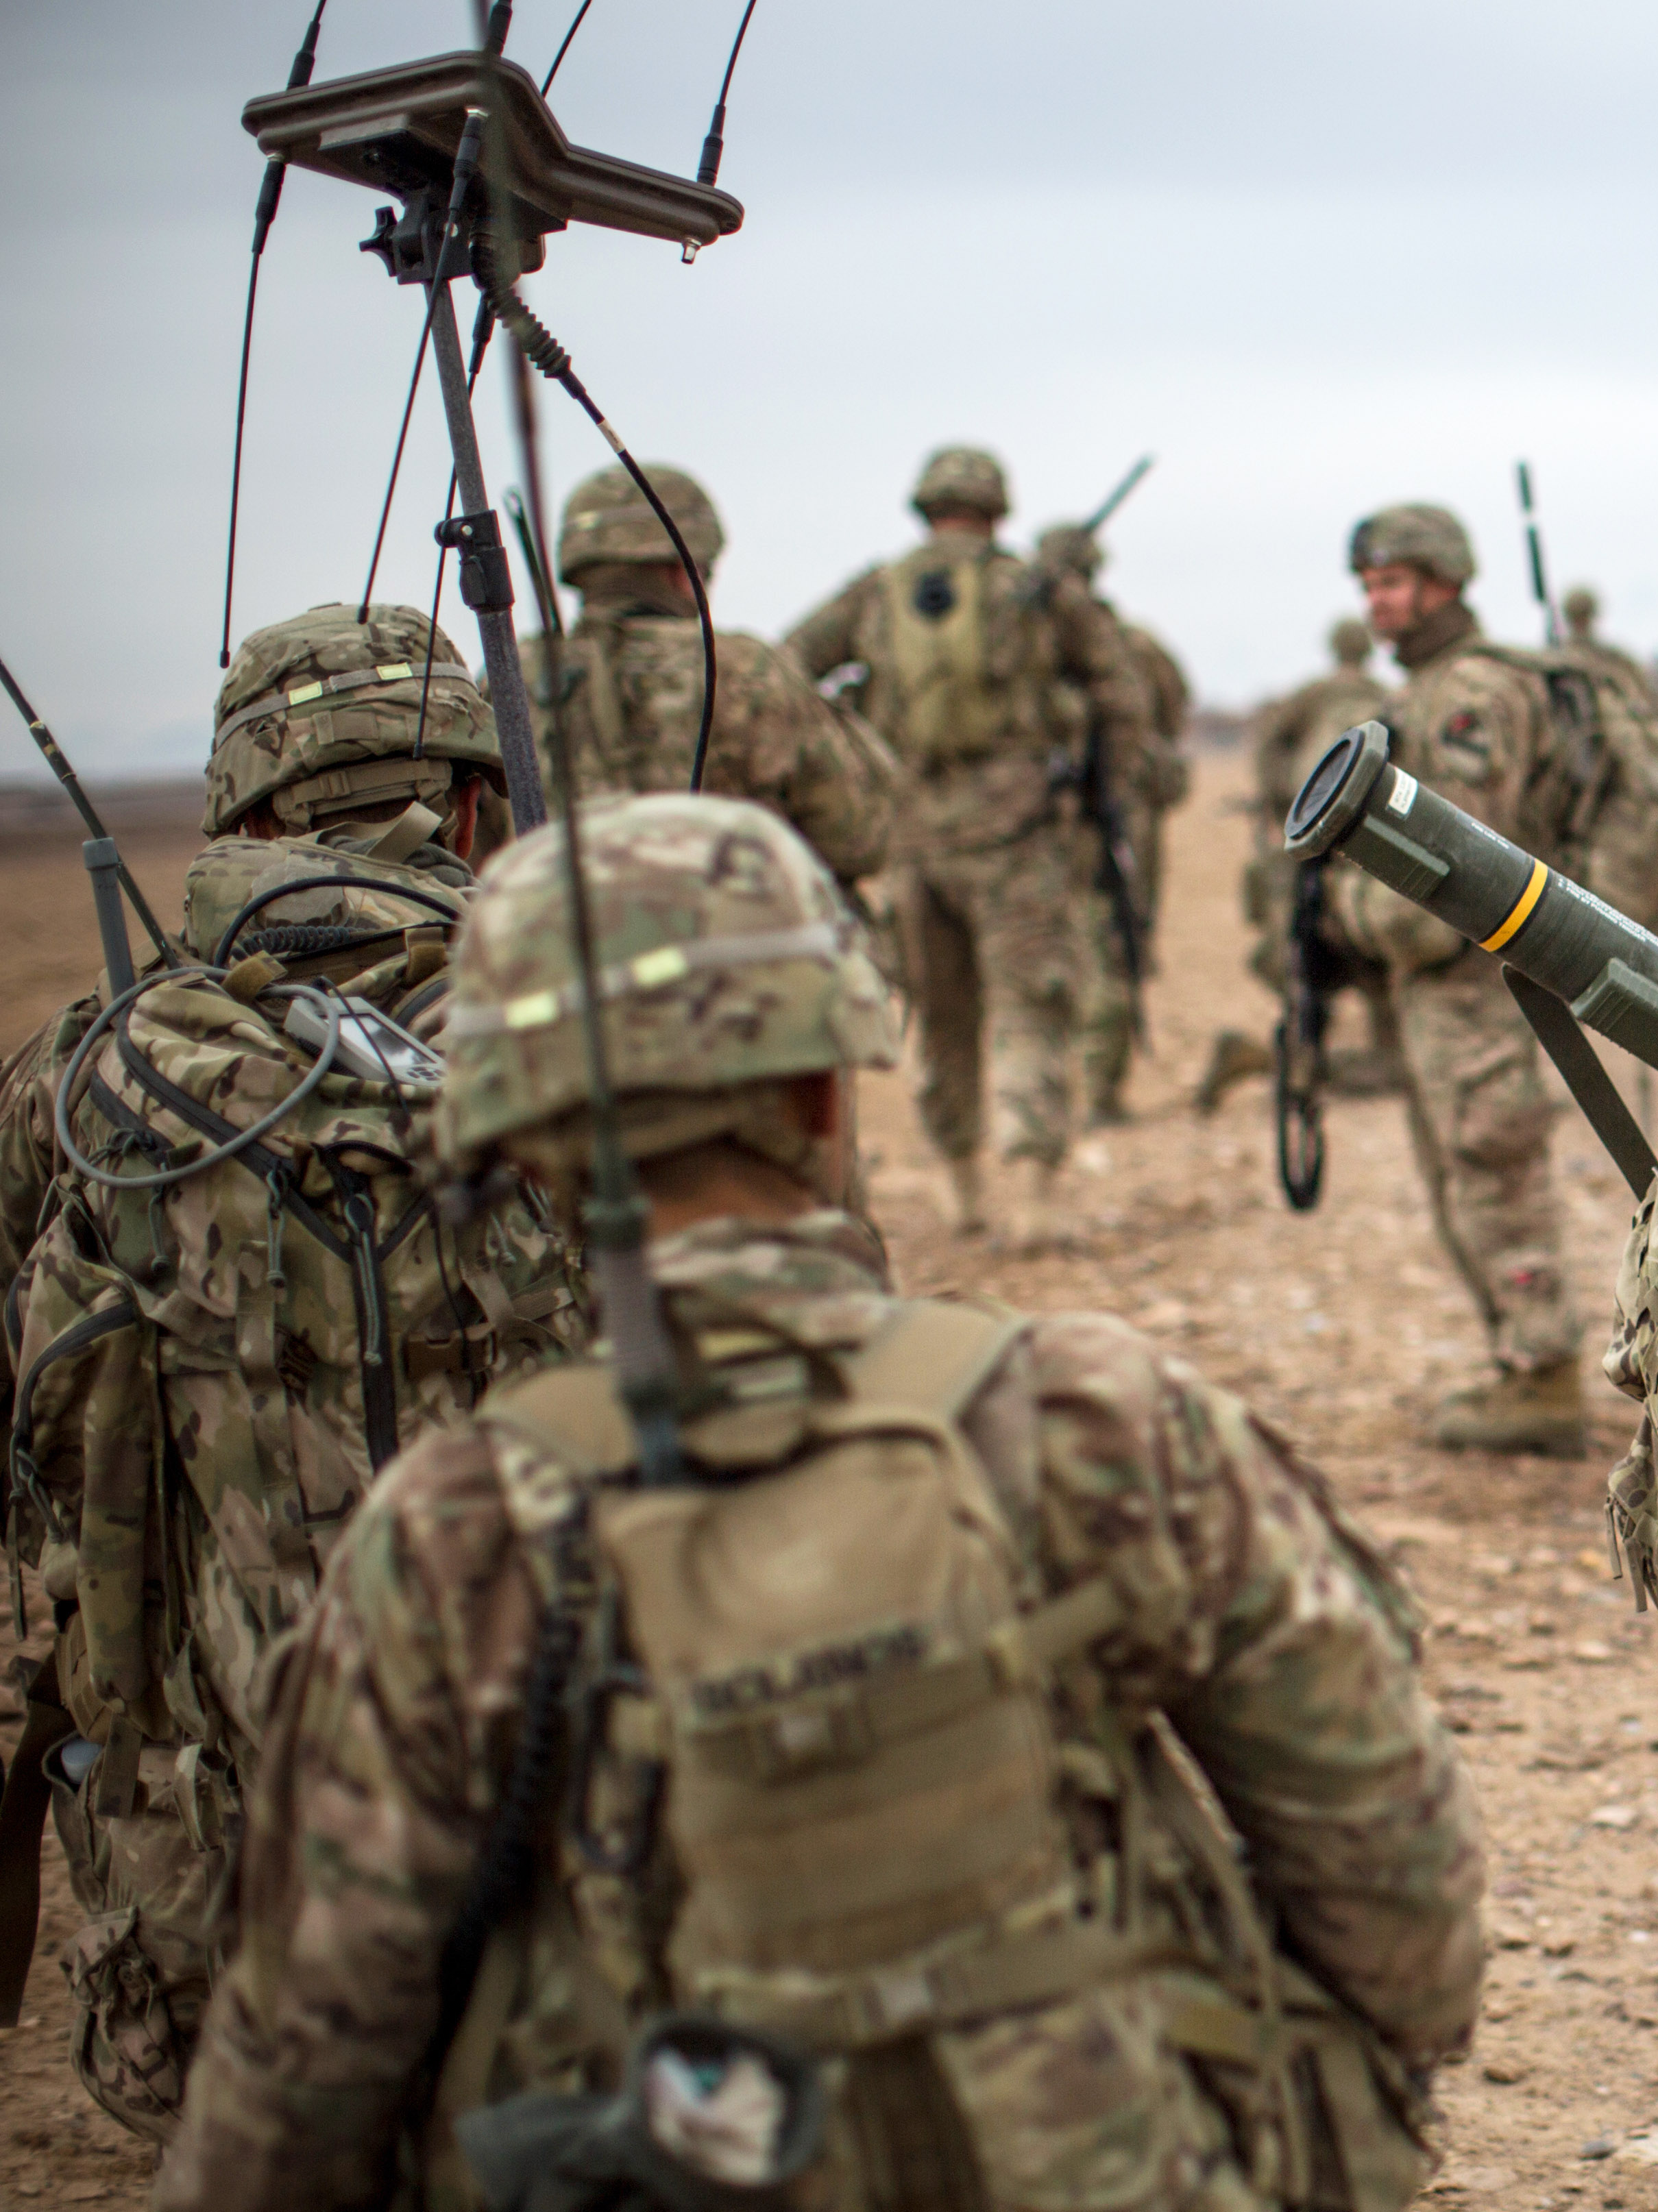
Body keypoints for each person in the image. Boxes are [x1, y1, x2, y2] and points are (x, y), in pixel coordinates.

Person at [151, 791, 1488, 2212]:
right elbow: (1398, 1895)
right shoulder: (1093, 1416)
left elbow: (301, 2066)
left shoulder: (449, 1531)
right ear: (824, 1091)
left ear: (518, 1151)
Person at [3, 604, 583, 2141]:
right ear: (478, 799)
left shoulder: (91, 1077)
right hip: (582, 1854)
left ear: (246, 818)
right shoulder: (610, 1032)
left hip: (232, 1917)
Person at [784, 447, 1131, 1236]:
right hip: (1020, 833)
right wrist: (1102, 782)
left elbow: (789, 666)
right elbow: (1120, 686)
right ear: (997, 508)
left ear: (925, 506)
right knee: (1030, 1002)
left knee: (938, 1015)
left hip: (911, 833)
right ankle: (1037, 1197)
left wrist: (855, 760)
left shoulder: (879, 590)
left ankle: (961, 1184)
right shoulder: (1033, 589)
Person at [1333, 503, 1589, 1455]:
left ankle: (1543, 1373)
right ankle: (1520, 1364)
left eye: (1393, 584)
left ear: (1444, 584)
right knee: (1469, 1165)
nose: (1378, 604)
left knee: (1493, 1164)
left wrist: (1355, 919)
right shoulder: (1441, 684)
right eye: (1369, 587)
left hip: (1476, 976)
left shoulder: (1462, 694)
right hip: (1464, 976)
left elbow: (1457, 868)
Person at [537, 463, 902, 885]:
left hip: (552, 944)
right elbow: (858, 839)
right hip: (725, 942)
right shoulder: (742, 667)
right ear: (682, 569)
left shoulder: (513, 679)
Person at [1197, 615, 1395, 1115]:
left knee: (1312, 964)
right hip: (1361, 851)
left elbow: (1270, 744)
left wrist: (1284, 803)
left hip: (1312, 849)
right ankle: (1272, 1061)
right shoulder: (1387, 697)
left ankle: (1278, 1059)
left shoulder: (1312, 695)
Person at [1033, 520, 1191, 1125]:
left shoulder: (1027, 646)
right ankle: (1096, 1091)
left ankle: (1073, 1090)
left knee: (1072, 946)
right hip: (1121, 816)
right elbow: (1172, 712)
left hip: (1055, 819)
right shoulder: (1133, 645)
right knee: (1118, 942)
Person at [1555, 582, 1653, 708]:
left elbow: (1641, 698)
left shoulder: (1616, 658)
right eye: (1578, 617)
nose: (1581, 622)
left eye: (1583, 616)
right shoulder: (1557, 659)